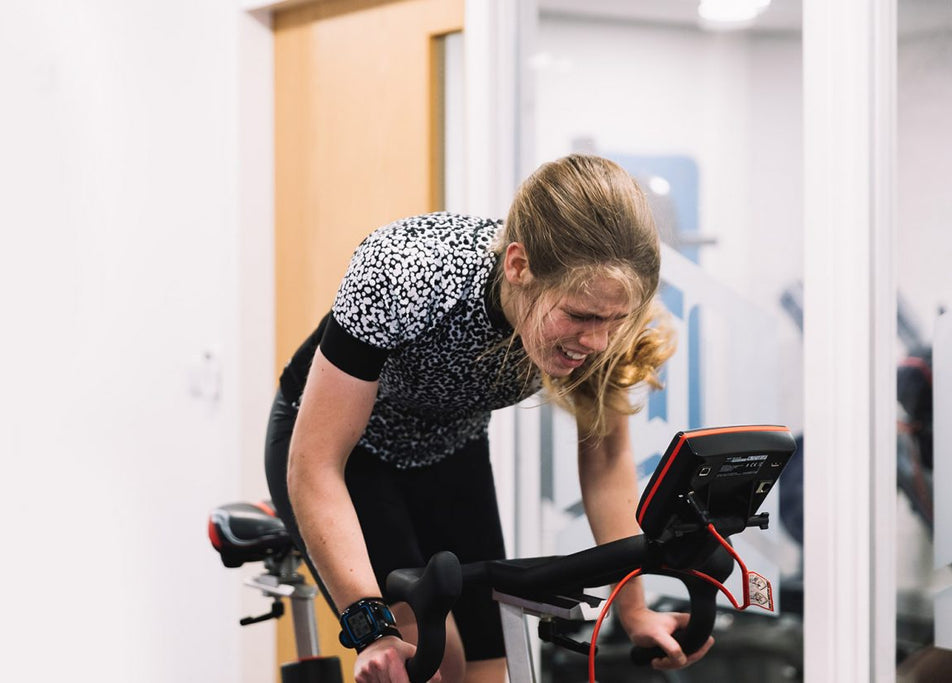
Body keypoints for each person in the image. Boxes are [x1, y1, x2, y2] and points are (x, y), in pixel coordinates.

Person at [265, 154, 712, 683]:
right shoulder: (406, 272)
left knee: (491, 666)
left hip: (450, 444)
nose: (596, 341)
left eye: (614, 321)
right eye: (579, 316)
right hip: (344, 450)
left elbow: (607, 458)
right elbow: (316, 462)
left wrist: (633, 609)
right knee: (430, 658)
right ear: (518, 266)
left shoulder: (607, 313)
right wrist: (370, 627)